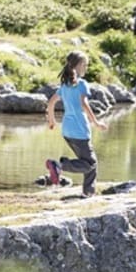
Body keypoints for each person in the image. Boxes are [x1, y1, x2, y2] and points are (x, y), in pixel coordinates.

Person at [44, 51, 108, 198]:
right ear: (77, 66)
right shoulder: (82, 84)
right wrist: (96, 122)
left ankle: (88, 193)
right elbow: (84, 104)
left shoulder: (65, 85)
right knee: (91, 163)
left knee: (87, 162)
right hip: (80, 131)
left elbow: (51, 102)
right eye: (84, 65)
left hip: (67, 131)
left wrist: (52, 120)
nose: (86, 68)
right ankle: (59, 166)